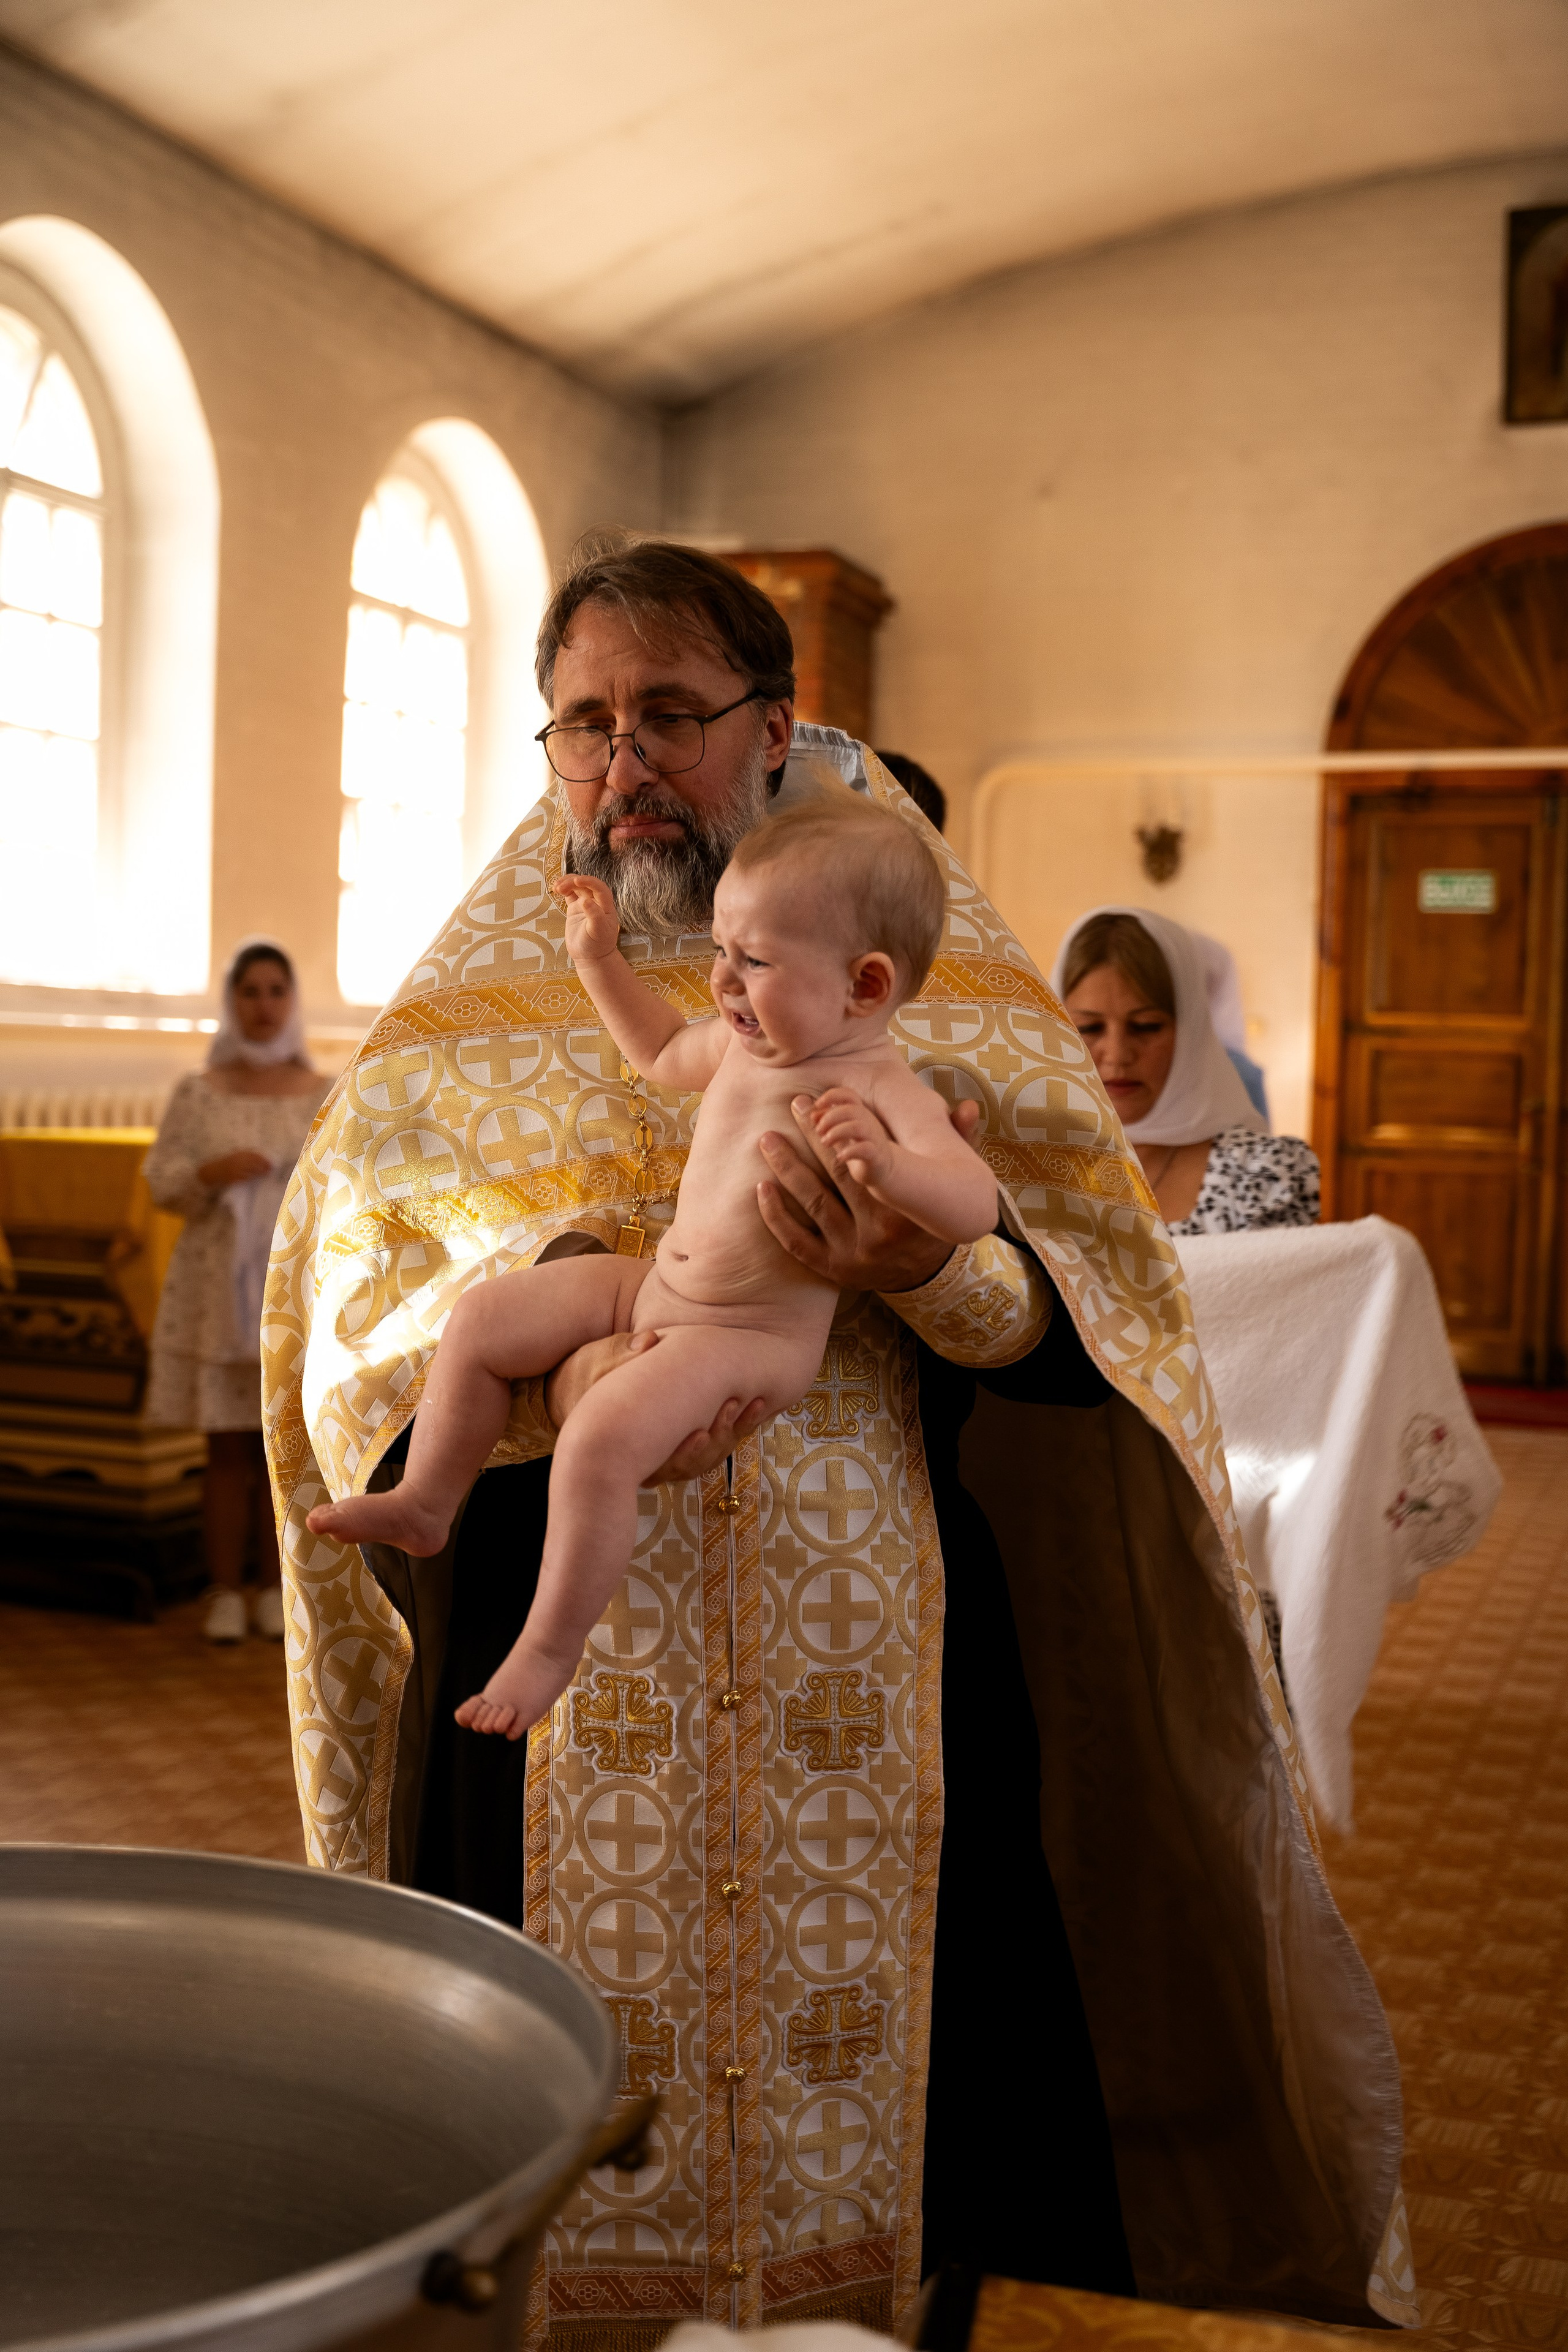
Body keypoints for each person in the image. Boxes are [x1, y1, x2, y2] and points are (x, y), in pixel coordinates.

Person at [264, 538, 1411, 2338]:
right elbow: (343, 1325)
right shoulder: (454, 1025)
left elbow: (1091, 1312)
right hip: (546, 1617)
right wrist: (564, 1314)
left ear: (771, 723)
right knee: (535, 2092)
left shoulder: (915, 975)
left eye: (665, 713)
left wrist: (930, 1269)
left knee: (878, 2045)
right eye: (581, 722)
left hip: (855, 1611)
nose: (619, 760)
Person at [306, 796, 995, 1736]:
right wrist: (598, 960)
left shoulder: (875, 1084)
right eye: (721, 952)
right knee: (485, 1320)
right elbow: (663, 1048)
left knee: (599, 1439)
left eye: (753, 962)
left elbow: (976, 1202)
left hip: (746, 1335)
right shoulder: (751, 1046)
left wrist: (892, 1169)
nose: (723, 983)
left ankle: (547, 1651)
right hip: (662, 1284)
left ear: (865, 988)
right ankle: (428, 1500)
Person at [144, 940, 328, 1643]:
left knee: (282, 1447)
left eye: (274, 991)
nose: (262, 1005)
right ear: (231, 1001)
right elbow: (162, 1180)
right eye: (249, 991)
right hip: (217, 1290)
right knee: (226, 1444)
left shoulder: (321, 1091)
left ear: (291, 1001)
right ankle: (224, 1589)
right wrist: (212, 1171)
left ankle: (278, 1590)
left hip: (290, 1291)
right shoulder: (199, 1091)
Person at [1054, 905, 1319, 1235]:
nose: (1117, 1056)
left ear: (1191, 1032)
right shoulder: (1022, 1167)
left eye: (1146, 1026)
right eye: (1090, 1027)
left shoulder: (1263, 1175)